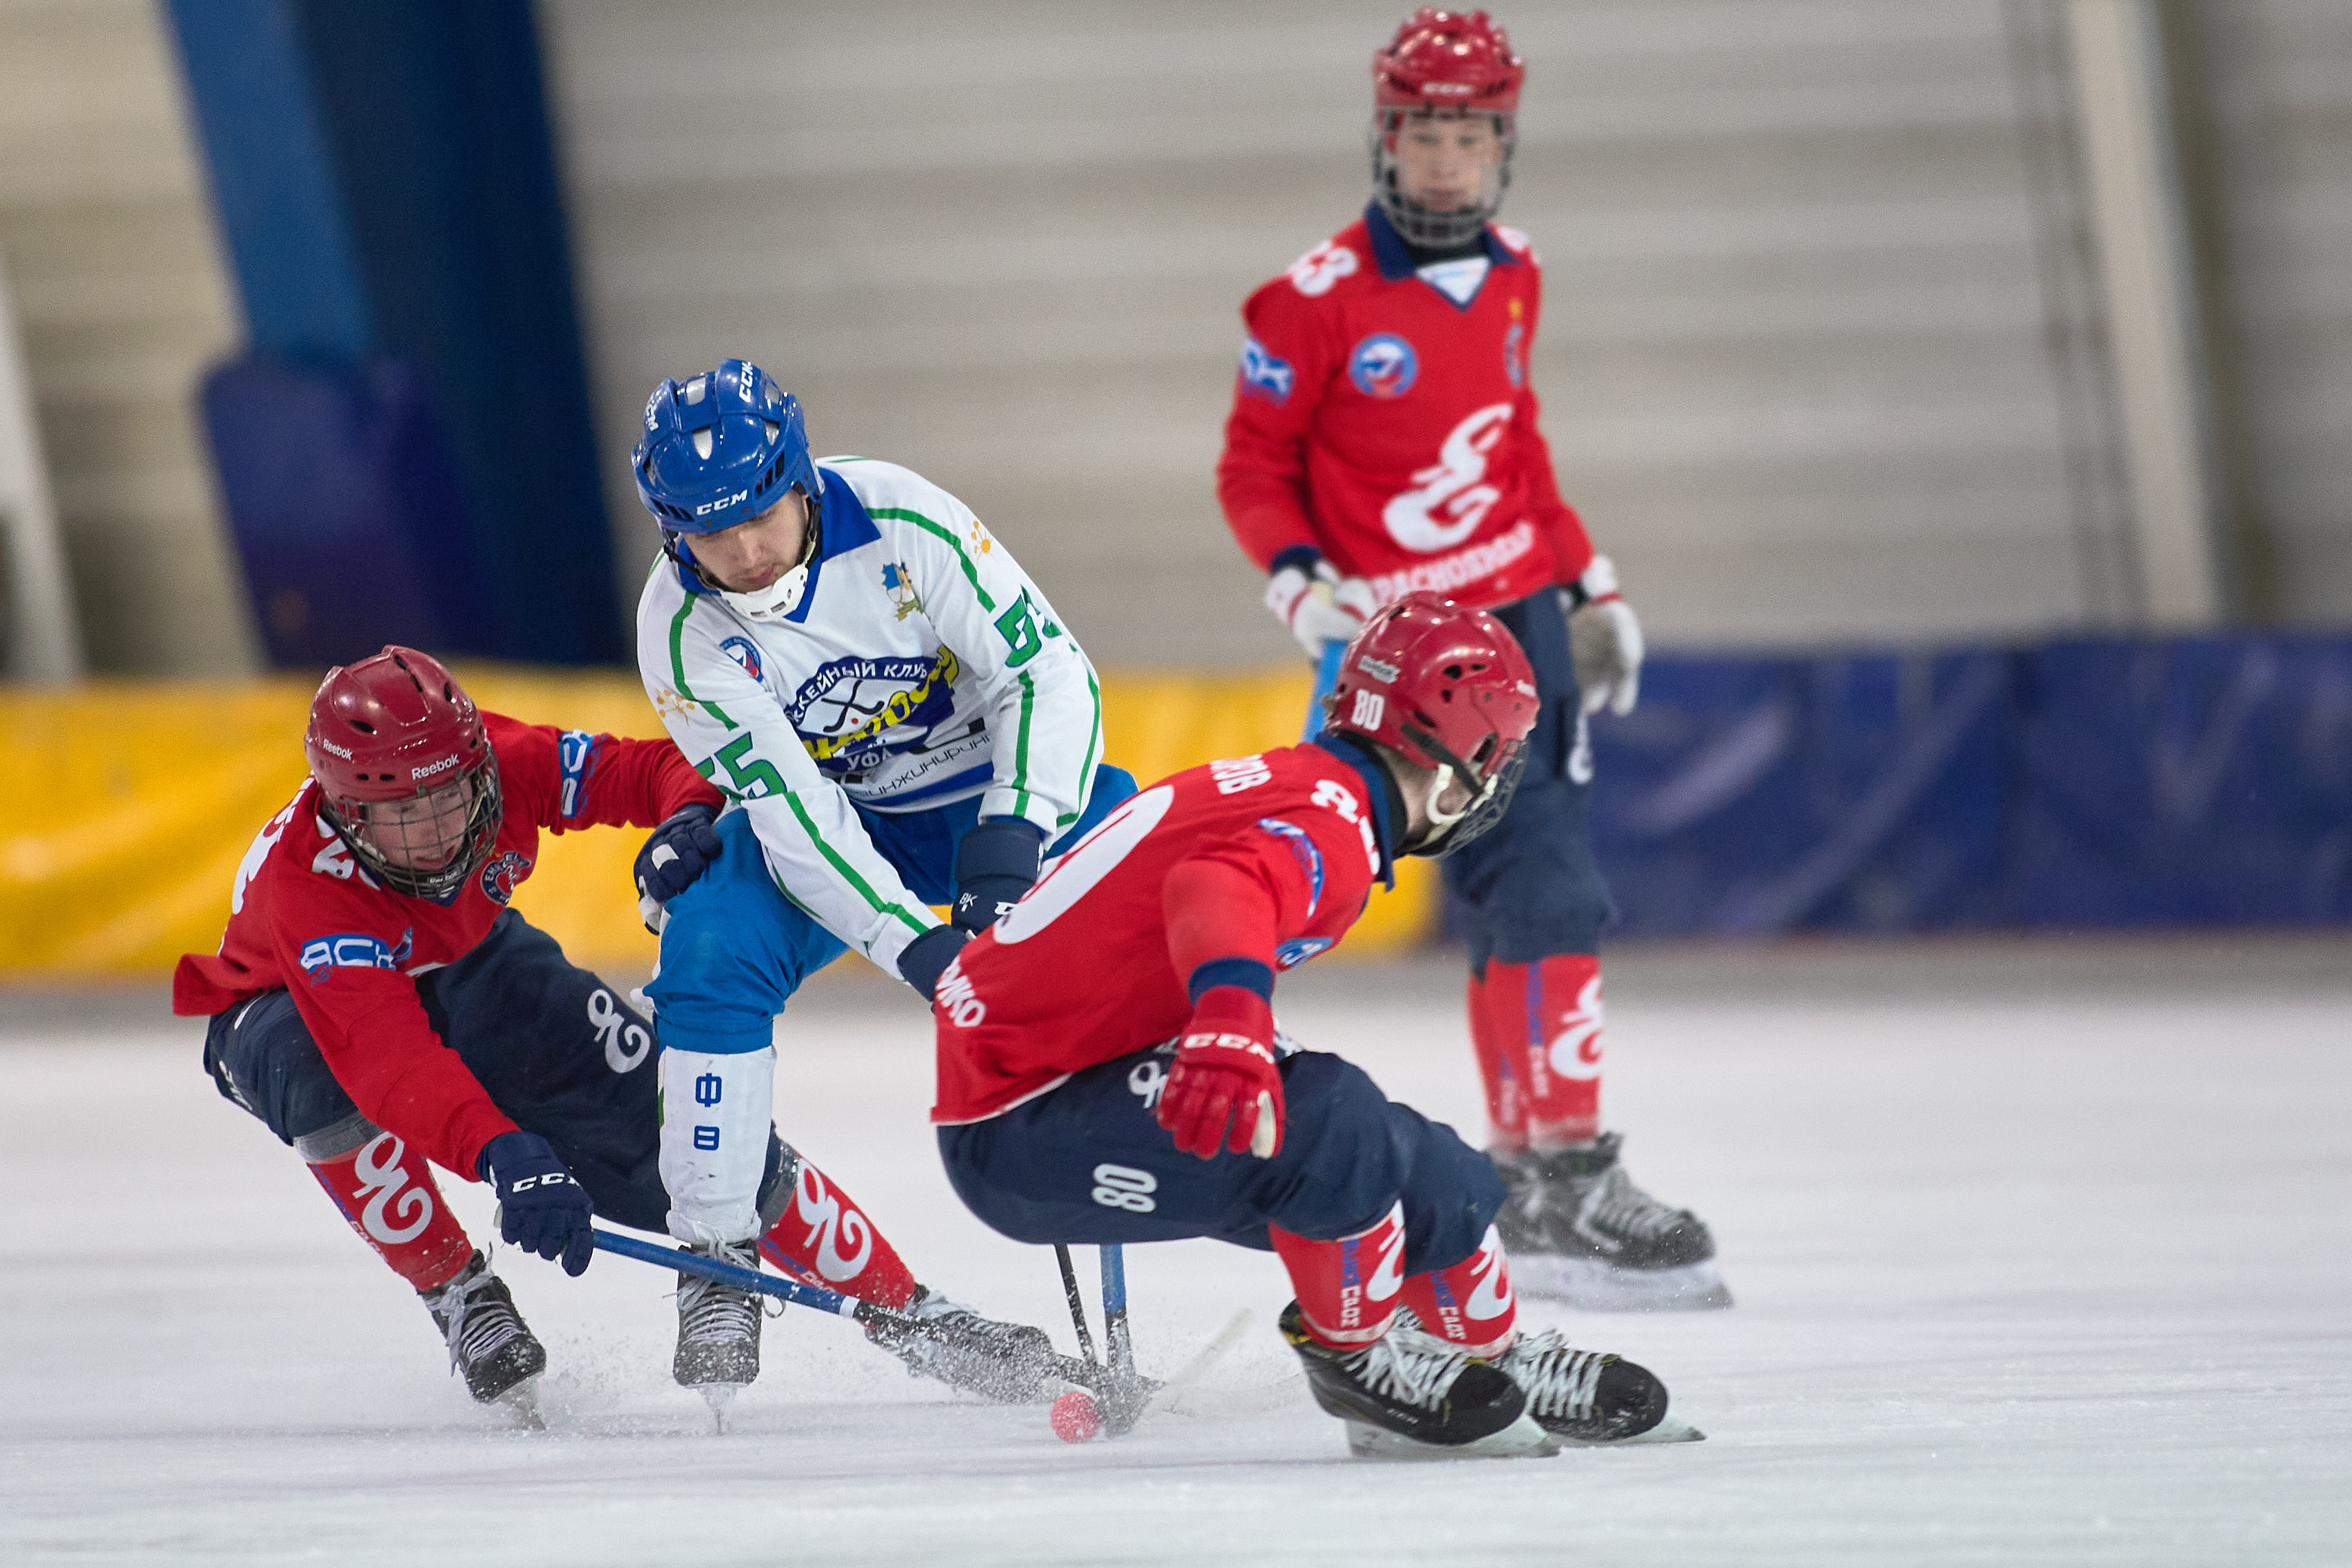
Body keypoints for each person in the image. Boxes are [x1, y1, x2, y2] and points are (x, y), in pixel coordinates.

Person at [175, 647, 1053, 1418]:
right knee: (312, 1074)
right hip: (282, 1002)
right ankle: (455, 1286)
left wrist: (684, 818)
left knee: (694, 1132)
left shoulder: (507, 761)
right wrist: (500, 1150)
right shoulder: (310, 888)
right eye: (405, 815)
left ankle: (913, 1312)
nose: (441, 835)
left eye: (452, 797)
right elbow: (388, 1062)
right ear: (344, 814)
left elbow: (656, 767)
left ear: (477, 763)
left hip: (474, 957)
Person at [1213, 7, 1727, 1310]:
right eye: (1425, 134)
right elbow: (1252, 467)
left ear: (1505, 143)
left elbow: (1517, 444)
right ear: (1385, 140)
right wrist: (1300, 591)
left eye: (1472, 136)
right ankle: (1267, 1140)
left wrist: (1589, 579)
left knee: (1549, 888)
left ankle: (1557, 1171)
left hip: (1522, 621)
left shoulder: (1517, 273)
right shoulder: (1309, 301)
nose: (1448, 162)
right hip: (1391, 655)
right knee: (1331, 894)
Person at [931, 595, 1681, 1457]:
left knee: (1431, 1163)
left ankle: (1490, 1353)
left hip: (1072, 1062)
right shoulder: (1333, 821)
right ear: (1456, 760)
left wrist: (1224, 1026)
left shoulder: (1310, 785)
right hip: (1020, 1117)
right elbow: (1217, 889)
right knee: (1336, 1121)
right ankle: (1356, 1356)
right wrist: (1231, 1023)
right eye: (1494, 758)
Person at [627, 359, 1136, 1392]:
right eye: (706, 534)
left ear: (800, 478)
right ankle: (717, 1252)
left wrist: (1016, 831)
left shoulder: (906, 519)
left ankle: (1177, 1134)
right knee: (711, 944)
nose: (741, 552)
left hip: (996, 801)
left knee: (1142, 895)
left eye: (760, 517)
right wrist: (917, 945)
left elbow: (1041, 671)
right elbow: (796, 818)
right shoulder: (680, 634)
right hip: (854, 829)